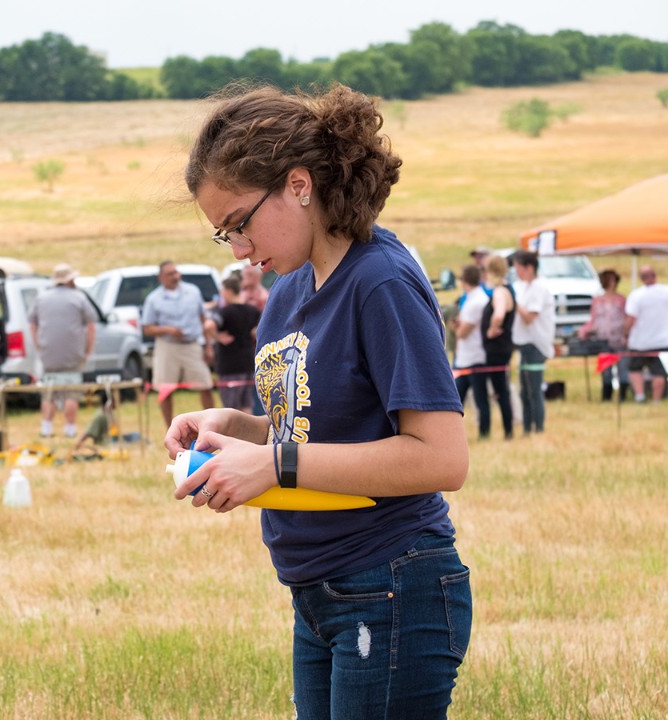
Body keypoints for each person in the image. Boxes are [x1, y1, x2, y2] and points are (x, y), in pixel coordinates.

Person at [170, 84, 470, 719]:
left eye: (239, 224)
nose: (242, 251)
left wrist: (274, 465)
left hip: (390, 582)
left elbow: (440, 457)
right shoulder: (288, 290)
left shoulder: (379, 280)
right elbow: (309, 429)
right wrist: (234, 428)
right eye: (224, 237)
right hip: (320, 592)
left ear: (298, 184)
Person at [142, 260, 216, 427]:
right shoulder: (153, 299)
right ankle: (170, 427)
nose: (175, 277)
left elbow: (203, 319)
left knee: (205, 384)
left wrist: (208, 346)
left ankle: (211, 424)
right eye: (170, 274)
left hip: (192, 344)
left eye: (176, 272)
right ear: (161, 278)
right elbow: (147, 328)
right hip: (167, 346)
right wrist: (167, 330)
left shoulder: (192, 291)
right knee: (165, 388)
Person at [28, 263, 97, 438]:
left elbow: (32, 323)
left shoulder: (41, 298)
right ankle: (70, 429)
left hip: (48, 353)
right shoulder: (78, 297)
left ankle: (46, 428)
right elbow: (91, 325)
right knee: (71, 392)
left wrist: (38, 344)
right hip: (72, 353)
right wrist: (88, 349)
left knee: (49, 392)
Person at [624, 264, 668, 403]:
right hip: (661, 341)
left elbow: (630, 319)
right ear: (654, 276)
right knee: (658, 372)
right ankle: (656, 400)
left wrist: (625, 334)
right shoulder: (667, 291)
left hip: (640, 342)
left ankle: (640, 396)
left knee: (636, 369)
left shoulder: (636, 295)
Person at [511, 251, 555, 434]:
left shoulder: (539, 289)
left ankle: (538, 427)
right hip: (524, 344)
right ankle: (527, 428)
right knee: (524, 392)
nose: (516, 272)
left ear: (529, 267)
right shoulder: (522, 287)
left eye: (518, 268)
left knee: (534, 390)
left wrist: (513, 303)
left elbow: (529, 317)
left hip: (536, 344)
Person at [452, 265, 494, 437]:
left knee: (479, 399)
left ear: (464, 280)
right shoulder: (474, 298)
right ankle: (453, 434)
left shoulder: (476, 301)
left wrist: (455, 327)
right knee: (459, 401)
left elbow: (462, 331)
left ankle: (484, 433)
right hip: (468, 357)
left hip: (474, 357)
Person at [577, 268, 628, 401]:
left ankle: (623, 396)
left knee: (623, 368)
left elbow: (627, 318)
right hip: (603, 339)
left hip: (619, 338)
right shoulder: (597, 300)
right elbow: (593, 319)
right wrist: (584, 331)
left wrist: (626, 335)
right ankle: (606, 396)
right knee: (606, 370)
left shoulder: (621, 299)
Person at [213, 275, 261, 413]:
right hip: (248, 362)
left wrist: (217, 337)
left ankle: (232, 435)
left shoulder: (225, 312)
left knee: (230, 409)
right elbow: (258, 331)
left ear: (228, 291)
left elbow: (209, 325)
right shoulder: (252, 310)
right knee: (247, 406)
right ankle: (247, 435)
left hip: (230, 366)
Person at [480, 254, 515, 439]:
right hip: (500, 350)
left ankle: (508, 431)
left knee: (501, 392)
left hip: (497, 351)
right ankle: (508, 430)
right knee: (501, 392)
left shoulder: (500, 292)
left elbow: (499, 314)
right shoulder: (506, 289)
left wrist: (492, 330)